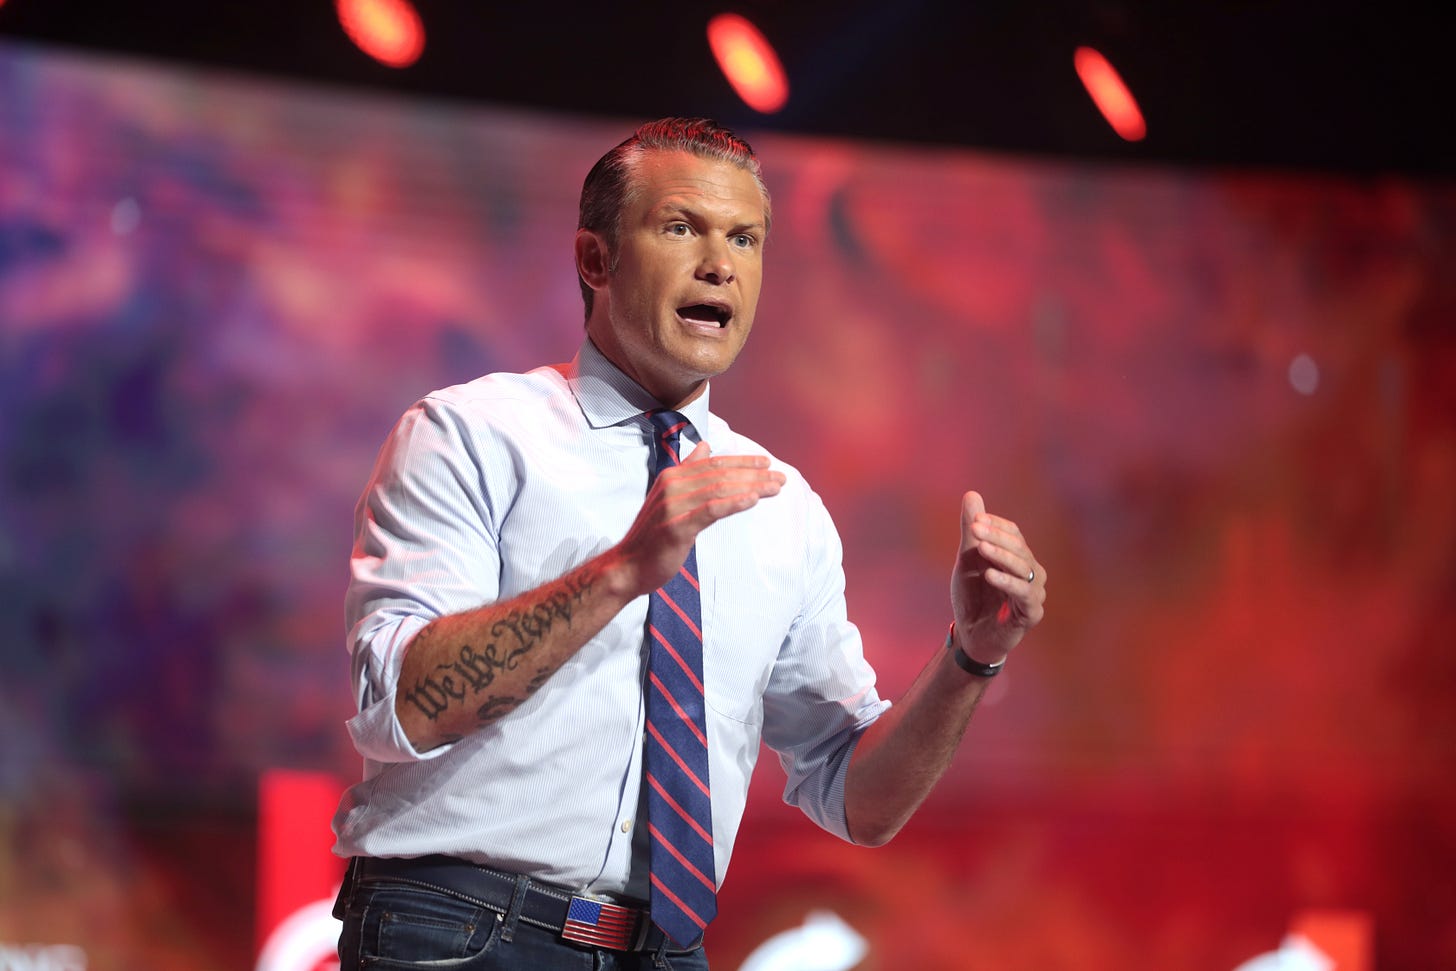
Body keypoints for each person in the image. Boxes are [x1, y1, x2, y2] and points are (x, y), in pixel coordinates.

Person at [331, 117, 1046, 970]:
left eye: (745, 239)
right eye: (682, 228)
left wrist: (972, 656)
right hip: (461, 929)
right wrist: (621, 572)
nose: (721, 264)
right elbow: (404, 705)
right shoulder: (473, 434)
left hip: (667, 951)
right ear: (595, 261)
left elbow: (861, 800)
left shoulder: (782, 507)